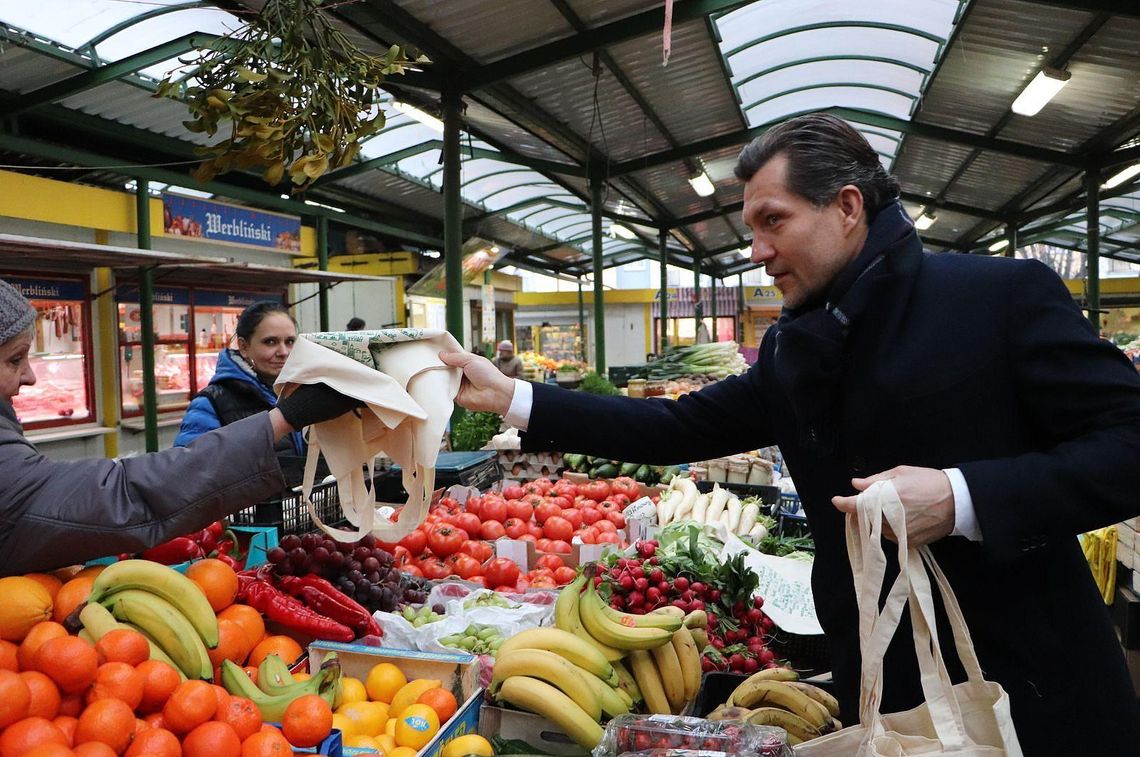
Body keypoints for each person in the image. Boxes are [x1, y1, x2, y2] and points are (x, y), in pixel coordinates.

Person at [441, 113, 1140, 754]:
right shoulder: (793, 349)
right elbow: (676, 426)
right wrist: (511, 397)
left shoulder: (998, 299)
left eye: (773, 221)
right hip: (887, 697)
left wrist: (960, 498)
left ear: (846, 206)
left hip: (1034, 692)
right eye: (751, 228)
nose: (756, 250)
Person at [0, 278, 362, 576]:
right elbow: (129, 495)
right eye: (15, 359)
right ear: (244, 346)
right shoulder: (213, 400)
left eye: (289, 342)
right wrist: (283, 420)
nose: (30, 375)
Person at [174, 301, 303, 461]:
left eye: (290, 341)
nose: (283, 352)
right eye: (270, 342)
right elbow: (190, 469)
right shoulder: (210, 403)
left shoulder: (302, 393)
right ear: (243, 346)